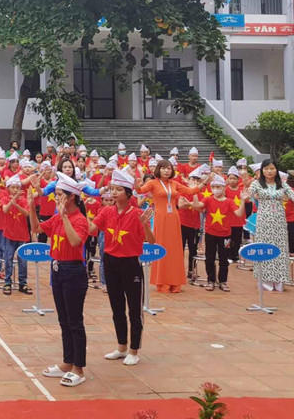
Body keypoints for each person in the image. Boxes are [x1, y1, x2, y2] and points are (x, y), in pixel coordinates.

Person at [29, 172, 90, 387]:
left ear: (71, 197)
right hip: (57, 269)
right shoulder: (56, 217)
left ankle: (78, 368)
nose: (56, 199)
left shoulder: (80, 219)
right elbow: (36, 229)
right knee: (63, 320)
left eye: (59, 195)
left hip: (73, 271)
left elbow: (75, 242)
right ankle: (67, 361)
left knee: (75, 321)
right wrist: (31, 206)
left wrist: (64, 217)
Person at [90, 169, 154, 366]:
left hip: (130, 263)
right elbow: (91, 229)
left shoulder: (137, 213)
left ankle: (134, 350)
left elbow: (152, 242)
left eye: (119, 189)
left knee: (134, 309)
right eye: (113, 189)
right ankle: (121, 347)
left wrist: (145, 226)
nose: (114, 193)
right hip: (110, 261)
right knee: (116, 306)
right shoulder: (106, 211)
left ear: (128, 193)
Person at [135, 160, 200, 293]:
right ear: (159, 169)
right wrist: (135, 181)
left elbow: (191, 190)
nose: (167, 171)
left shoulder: (174, 184)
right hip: (161, 218)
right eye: (164, 168)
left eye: (169, 168)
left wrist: (204, 183)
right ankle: (162, 282)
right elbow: (140, 190)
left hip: (174, 218)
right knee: (162, 246)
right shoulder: (152, 183)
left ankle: (175, 282)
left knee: (175, 249)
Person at [239, 159, 294, 292]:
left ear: (276, 170)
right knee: (264, 248)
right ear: (262, 170)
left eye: (272, 168)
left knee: (279, 249)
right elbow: (247, 195)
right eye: (266, 168)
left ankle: (279, 282)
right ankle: (265, 282)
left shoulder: (283, 185)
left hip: (279, 221)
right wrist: (244, 194)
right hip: (263, 221)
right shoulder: (257, 183)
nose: (269, 171)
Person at [192, 175, 241, 292]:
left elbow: (238, 213)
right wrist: (194, 193)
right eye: (213, 186)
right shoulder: (208, 199)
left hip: (226, 235)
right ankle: (211, 280)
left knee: (224, 259)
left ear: (224, 187)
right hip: (210, 234)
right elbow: (198, 206)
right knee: (210, 258)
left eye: (218, 186)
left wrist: (243, 200)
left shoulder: (229, 201)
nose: (215, 189)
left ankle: (223, 281)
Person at [1, 174, 33, 295]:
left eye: (17, 187)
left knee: (23, 261)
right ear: (8, 188)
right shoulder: (5, 199)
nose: (15, 190)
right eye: (12, 187)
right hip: (9, 235)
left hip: (22, 235)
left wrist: (17, 204)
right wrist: (12, 201)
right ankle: (7, 282)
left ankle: (22, 283)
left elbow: (26, 214)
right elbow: (4, 210)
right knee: (8, 259)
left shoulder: (24, 200)